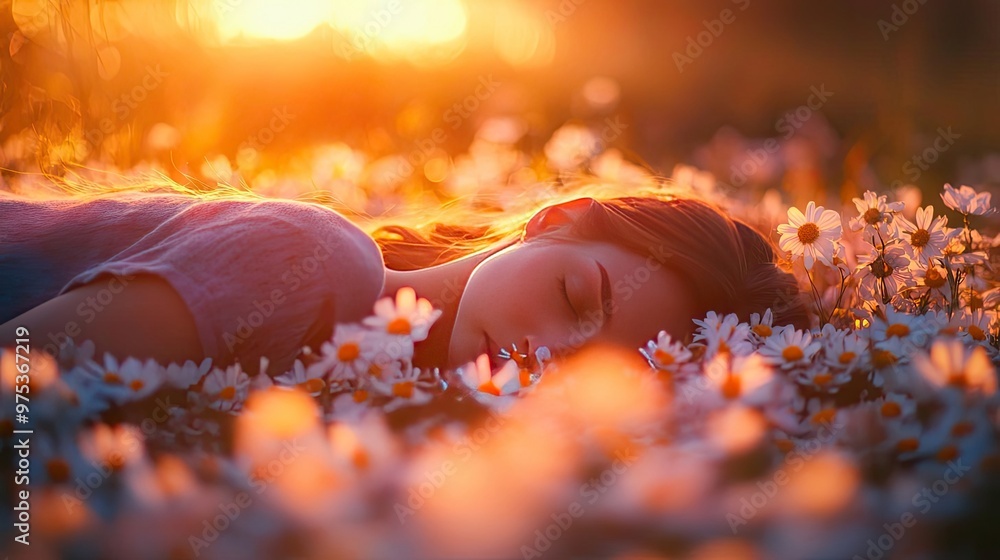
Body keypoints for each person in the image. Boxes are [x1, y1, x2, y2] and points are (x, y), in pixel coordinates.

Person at [0, 184, 808, 376]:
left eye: (586, 374)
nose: (539, 357)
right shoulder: (315, 259)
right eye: (575, 299)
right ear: (555, 220)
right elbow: (20, 386)